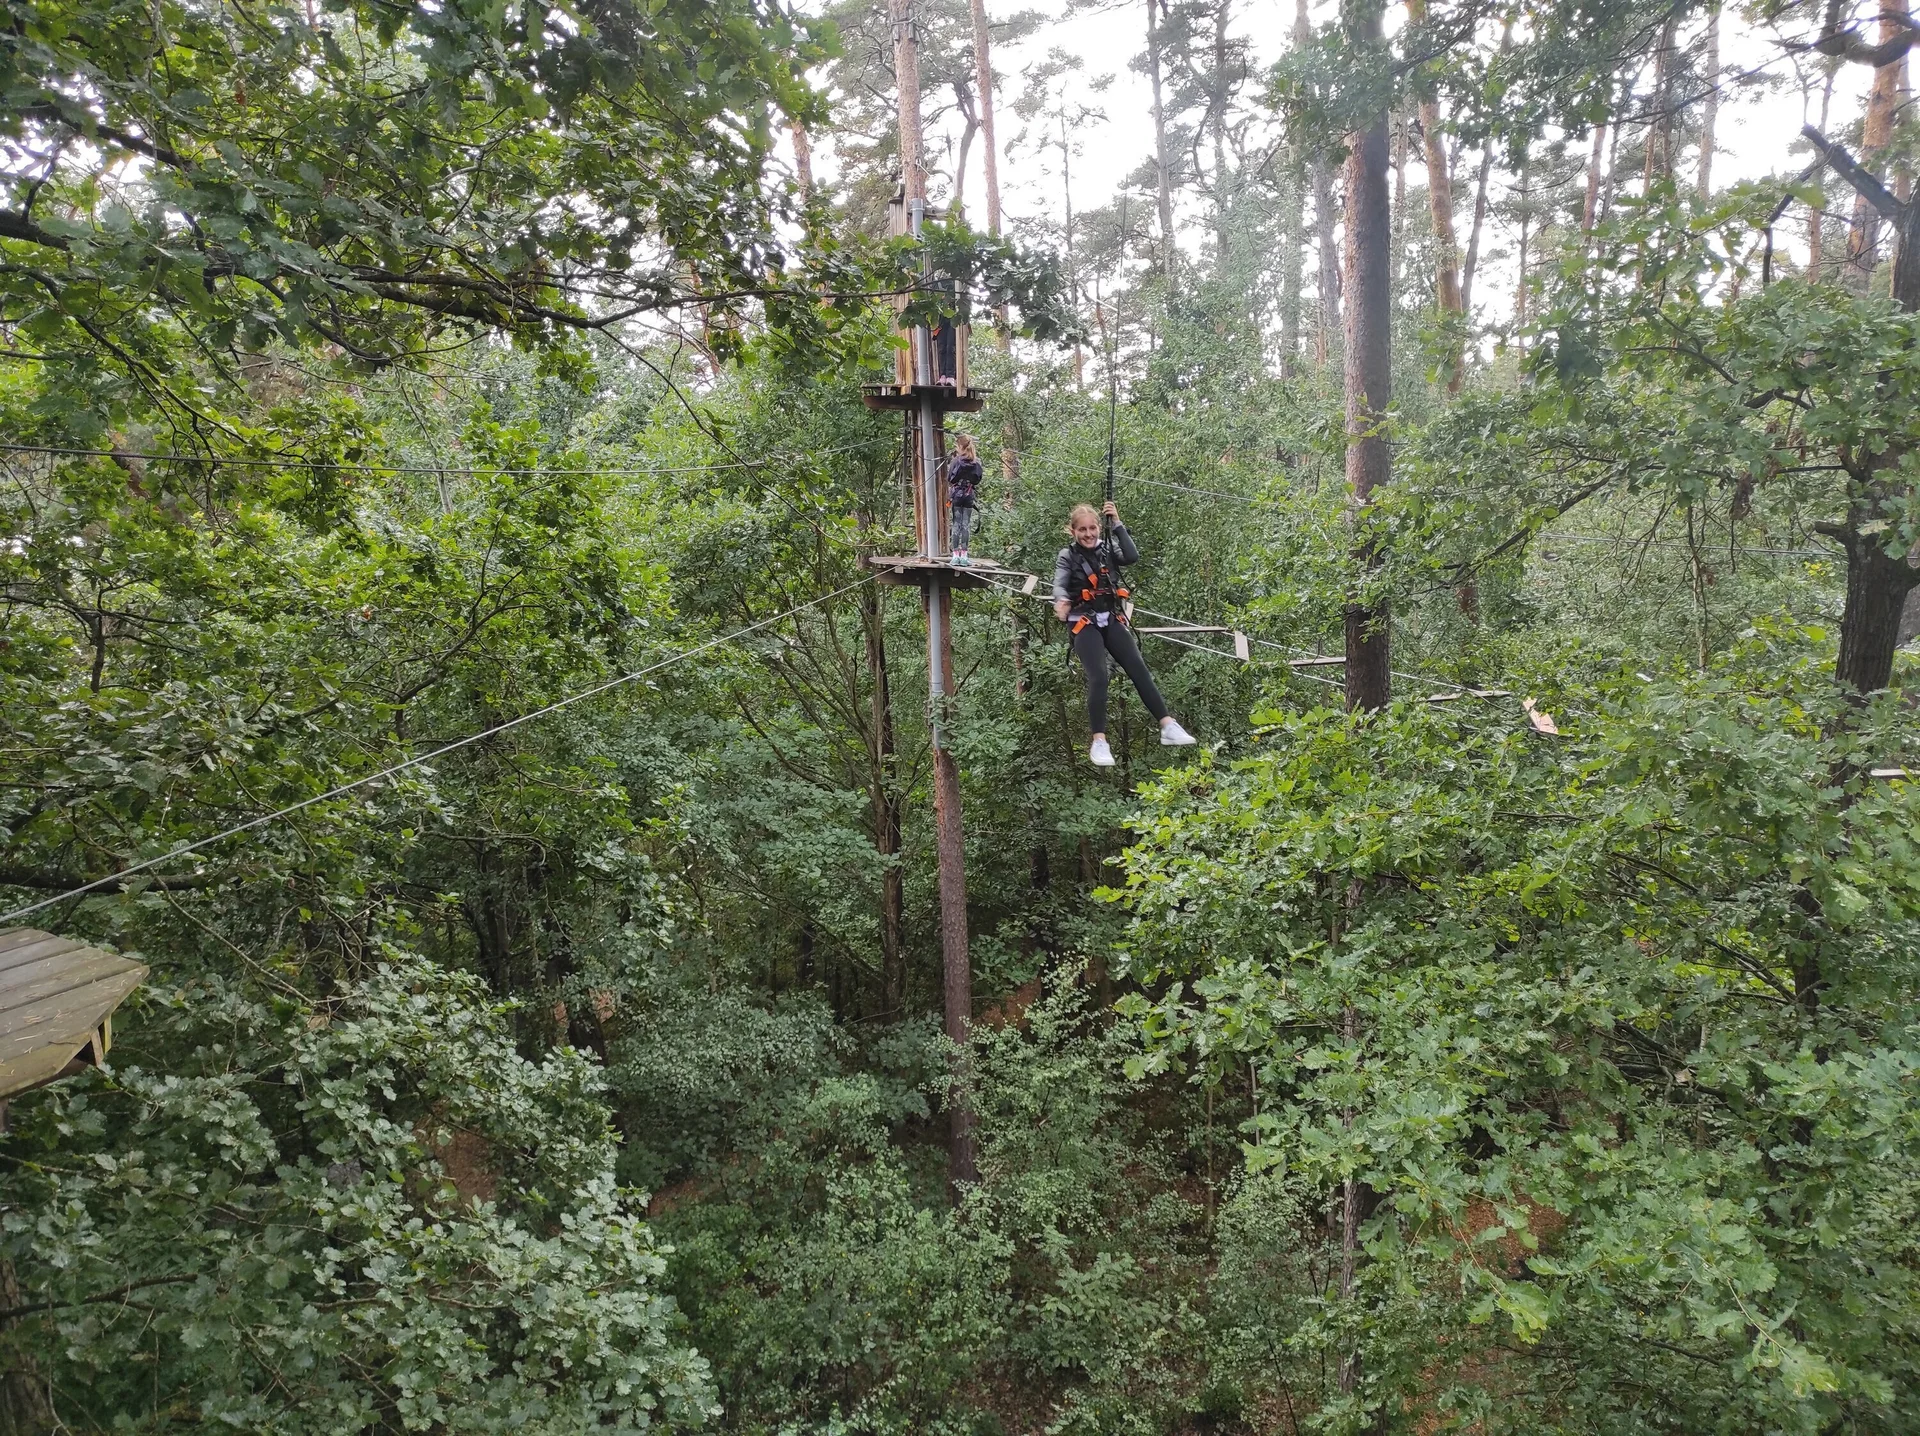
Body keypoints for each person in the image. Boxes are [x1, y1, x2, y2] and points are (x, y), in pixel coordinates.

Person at [1053, 501, 1197, 766]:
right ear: (1073, 531)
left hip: (1112, 619)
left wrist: (1117, 524)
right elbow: (1060, 581)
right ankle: (1099, 741)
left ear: (1099, 527)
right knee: (1099, 676)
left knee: (1138, 668)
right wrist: (1061, 600)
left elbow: (1131, 557)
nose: (1088, 534)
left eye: (1093, 528)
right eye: (1082, 530)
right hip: (1084, 624)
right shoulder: (1068, 556)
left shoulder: (1107, 549)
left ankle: (1167, 725)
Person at [947, 434, 983, 565]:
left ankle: (955, 555)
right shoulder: (976, 461)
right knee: (966, 524)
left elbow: (950, 478)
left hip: (957, 495)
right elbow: (978, 479)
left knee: (956, 524)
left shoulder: (956, 461)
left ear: (959, 446)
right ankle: (965, 556)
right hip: (969, 495)